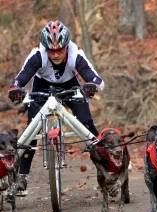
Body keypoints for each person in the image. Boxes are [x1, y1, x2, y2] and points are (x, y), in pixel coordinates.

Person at [8, 20, 105, 195]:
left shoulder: (76, 54)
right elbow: (20, 78)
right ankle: (22, 176)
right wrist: (16, 89)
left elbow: (97, 80)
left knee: (86, 122)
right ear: (45, 48)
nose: (56, 54)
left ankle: (106, 163)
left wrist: (91, 86)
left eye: (60, 49)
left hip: (71, 87)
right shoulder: (38, 55)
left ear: (67, 46)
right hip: (41, 88)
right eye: (51, 50)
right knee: (32, 127)